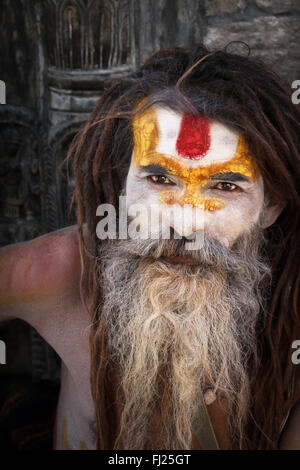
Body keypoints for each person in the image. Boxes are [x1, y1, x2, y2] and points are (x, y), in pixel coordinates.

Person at [0, 45, 300, 450]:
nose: (185, 223)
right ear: (123, 180)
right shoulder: (62, 271)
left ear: (271, 206)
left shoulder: (291, 309)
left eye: (225, 186)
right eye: (160, 179)